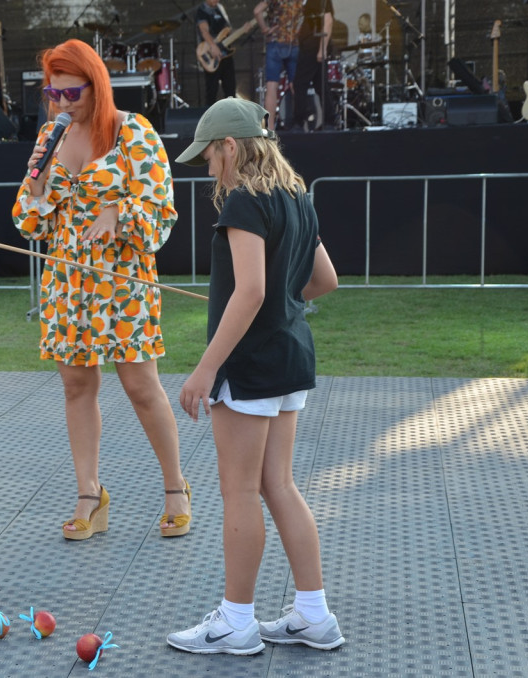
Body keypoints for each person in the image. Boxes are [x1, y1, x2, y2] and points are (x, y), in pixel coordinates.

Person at [165, 97, 341, 655]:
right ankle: (313, 614)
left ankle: (236, 621)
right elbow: (324, 280)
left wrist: (205, 368)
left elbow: (252, 291)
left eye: (211, 157)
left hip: (250, 366)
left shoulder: (244, 200)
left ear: (232, 147)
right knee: (278, 485)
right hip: (290, 357)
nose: (209, 168)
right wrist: (277, 308)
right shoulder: (296, 196)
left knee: (239, 491)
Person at [12, 39, 190, 541]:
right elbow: (27, 221)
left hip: (123, 281)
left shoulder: (134, 132)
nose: (63, 104)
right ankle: (89, 493)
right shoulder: (51, 136)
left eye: (72, 93)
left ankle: (175, 487)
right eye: (54, 94)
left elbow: (162, 211)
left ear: (96, 85)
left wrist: (119, 212)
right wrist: (42, 181)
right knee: (76, 386)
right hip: (68, 282)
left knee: (139, 385)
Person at [253, 0, 302, 131]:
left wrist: (264, 28)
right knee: (295, 85)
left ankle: (269, 128)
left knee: (271, 86)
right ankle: (299, 123)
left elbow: (257, 11)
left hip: (275, 41)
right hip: (294, 42)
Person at [291, 0, 334, 131]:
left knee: (300, 83)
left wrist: (322, 48)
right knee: (320, 85)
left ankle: (298, 122)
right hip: (306, 45)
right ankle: (329, 121)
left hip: (313, 45)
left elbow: (328, 21)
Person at [197, 0, 238, 107]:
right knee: (212, 91)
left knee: (231, 90)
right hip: (211, 54)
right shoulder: (201, 10)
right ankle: (210, 121)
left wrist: (242, 30)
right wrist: (213, 45)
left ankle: (231, 119)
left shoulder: (221, 9)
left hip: (226, 54)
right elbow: (204, 31)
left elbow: (227, 30)